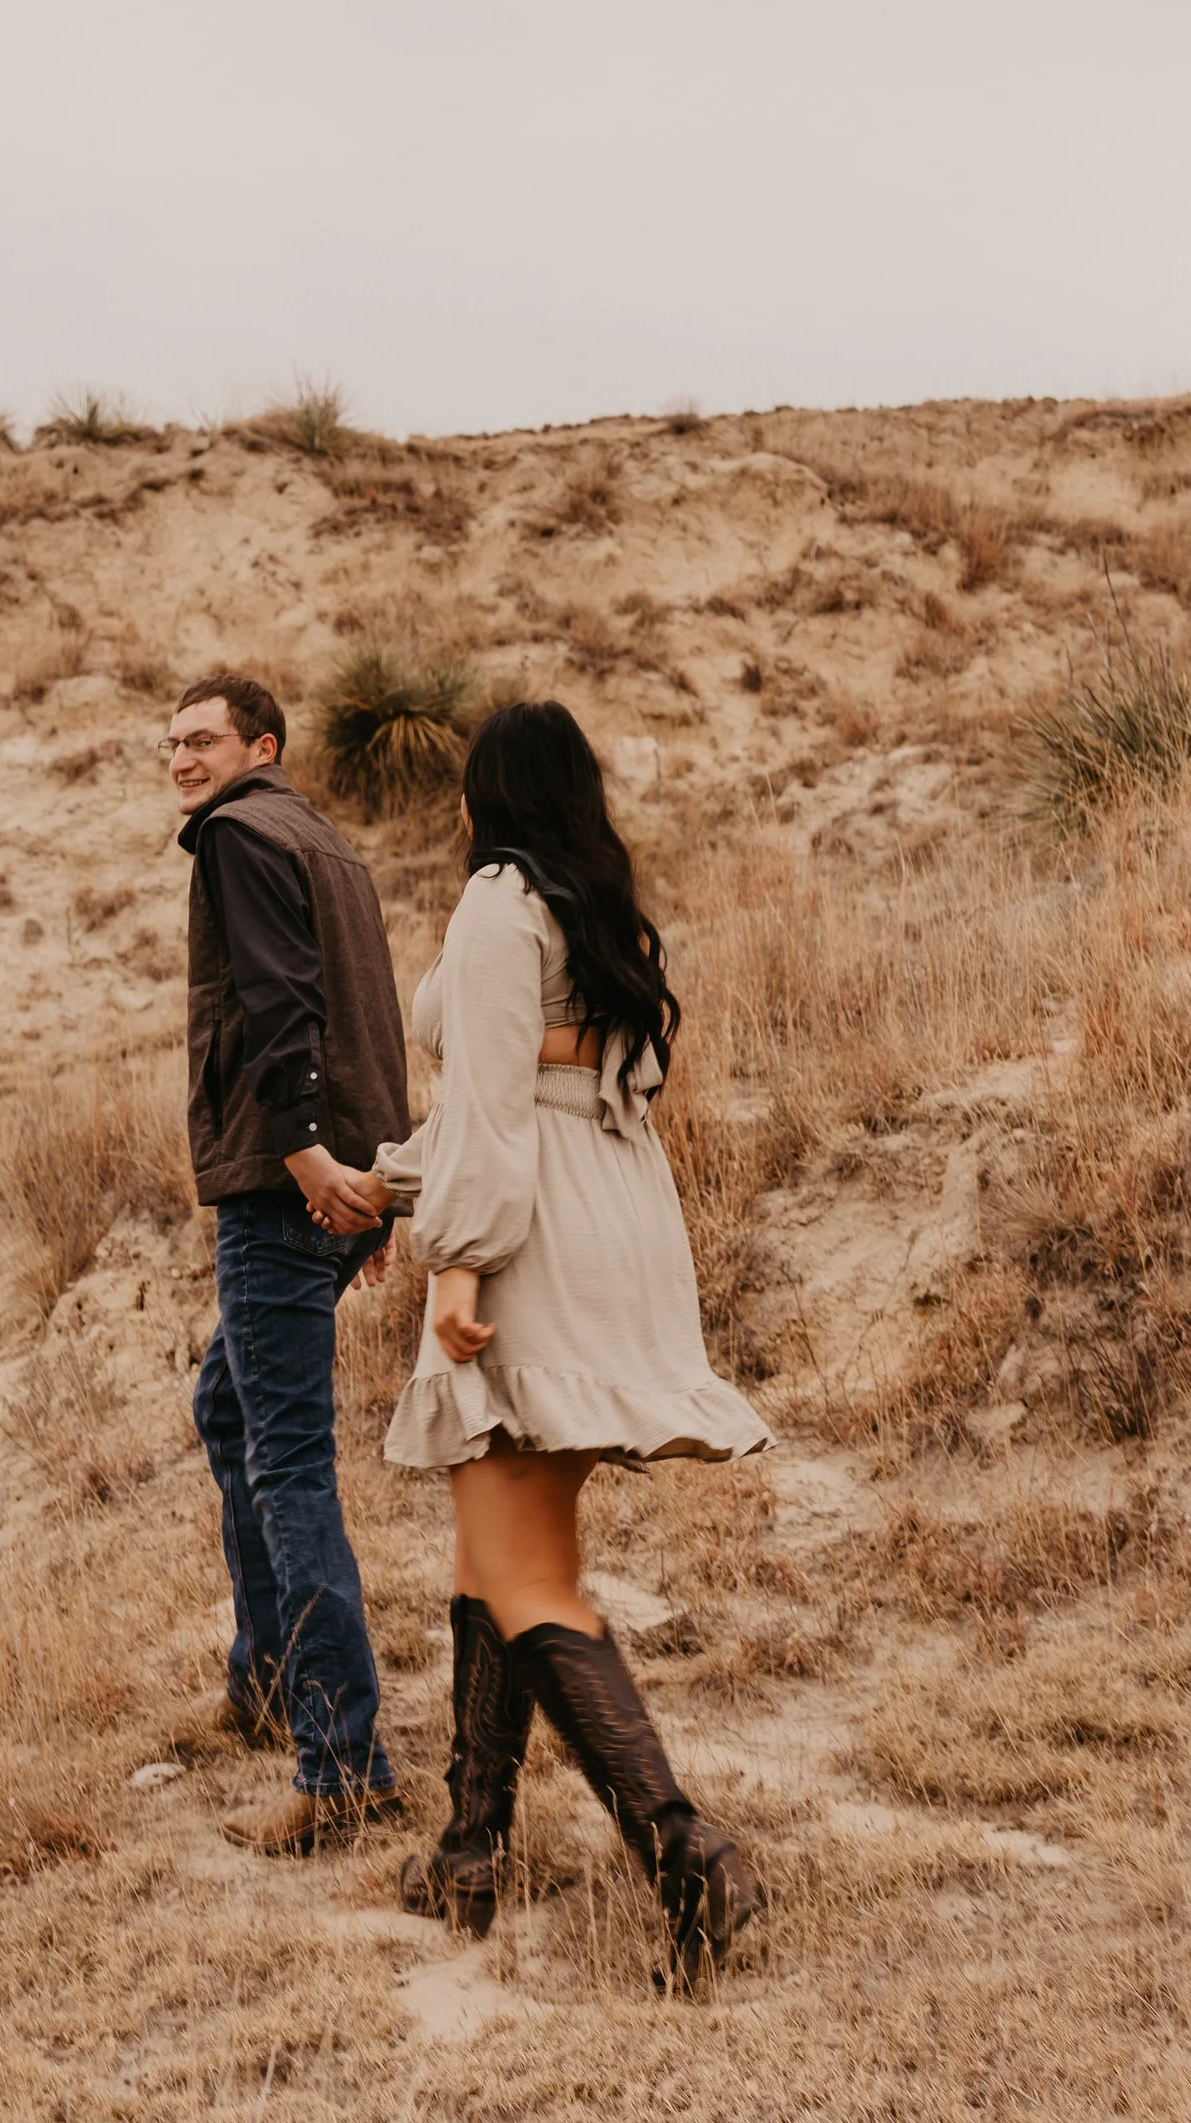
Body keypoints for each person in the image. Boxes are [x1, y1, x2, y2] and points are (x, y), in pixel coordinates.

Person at [369, 699, 769, 1977]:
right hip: (617, 1225)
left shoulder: (496, 905)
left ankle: (687, 1854)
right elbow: (561, 1085)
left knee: (524, 1572)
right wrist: (399, 1179)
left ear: (486, 797)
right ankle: (469, 1848)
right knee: (502, 1552)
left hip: (525, 1244)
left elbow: (490, 1105)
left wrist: (456, 1262)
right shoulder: (590, 909)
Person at [169, 670, 410, 1853]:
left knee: (288, 1467)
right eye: (170, 743)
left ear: (260, 744)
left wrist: (311, 1160)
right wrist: (376, 1194)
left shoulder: (237, 834)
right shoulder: (329, 843)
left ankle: (342, 1768)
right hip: (343, 1184)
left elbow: (283, 1007)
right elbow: (372, 1018)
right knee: (228, 1409)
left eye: (203, 739)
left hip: (287, 1189)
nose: (182, 759)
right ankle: (265, 1685)